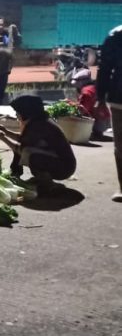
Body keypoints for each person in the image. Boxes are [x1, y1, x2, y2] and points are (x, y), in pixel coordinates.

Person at [0, 95, 76, 194]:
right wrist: (5, 131)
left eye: (18, 112)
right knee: (26, 150)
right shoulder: (39, 120)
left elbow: (21, 149)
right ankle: (40, 178)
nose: (16, 115)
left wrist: (3, 138)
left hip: (64, 167)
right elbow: (23, 139)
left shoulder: (39, 125)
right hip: (61, 162)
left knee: (28, 153)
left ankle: (48, 185)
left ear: (26, 112)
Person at [96, 24, 122, 202]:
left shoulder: (116, 34)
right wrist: (100, 96)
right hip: (120, 97)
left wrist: (100, 96)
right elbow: (105, 68)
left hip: (119, 96)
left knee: (121, 145)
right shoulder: (116, 35)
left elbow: (104, 67)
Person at [71, 68, 112, 141]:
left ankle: (94, 132)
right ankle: (97, 132)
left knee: (75, 115)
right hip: (105, 119)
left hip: (99, 122)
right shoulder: (93, 88)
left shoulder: (86, 93)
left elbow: (82, 110)